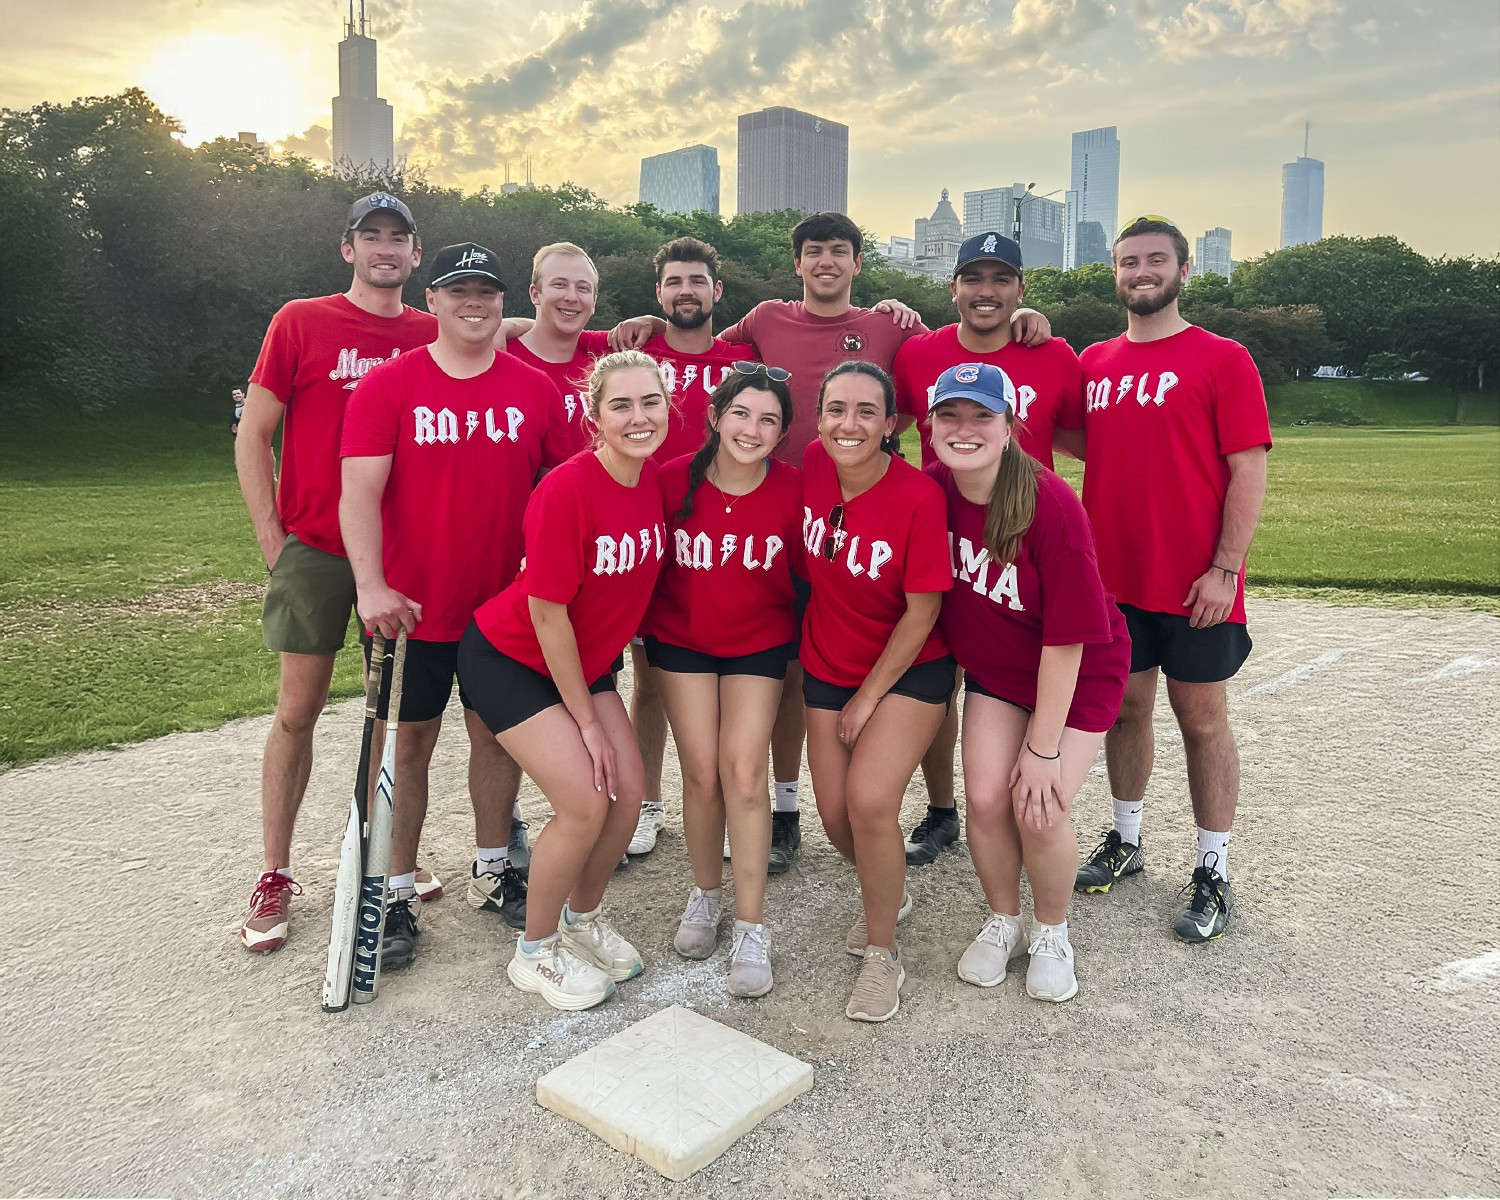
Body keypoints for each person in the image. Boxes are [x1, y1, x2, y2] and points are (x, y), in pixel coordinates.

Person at [339, 243, 571, 966]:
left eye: (487, 290)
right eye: (458, 289)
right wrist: (370, 586)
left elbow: (567, 492)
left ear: (505, 302)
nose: (474, 302)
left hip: (501, 610)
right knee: (406, 747)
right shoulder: (389, 386)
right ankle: (396, 891)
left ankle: (495, 867)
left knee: (496, 740)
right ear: (431, 300)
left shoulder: (534, 389)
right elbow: (359, 494)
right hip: (412, 607)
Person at [235, 192, 448, 952]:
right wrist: (274, 538)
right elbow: (255, 434)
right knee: (299, 709)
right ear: (348, 248)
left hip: (404, 559)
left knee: (399, 720)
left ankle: (392, 856)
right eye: (372, 236)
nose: (386, 248)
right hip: (319, 550)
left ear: (417, 256)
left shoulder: (433, 329)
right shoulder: (302, 321)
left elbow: (505, 329)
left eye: (400, 238)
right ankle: (276, 870)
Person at [1077, 215, 1271, 942]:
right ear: (1116, 273)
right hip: (1114, 581)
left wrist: (1226, 569)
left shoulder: (1221, 357)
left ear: (1184, 270)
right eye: (1129, 262)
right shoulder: (1094, 361)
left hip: (1196, 582)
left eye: (1156, 260)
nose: (1141, 272)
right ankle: (1126, 839)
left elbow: (1248, 467)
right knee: (1125, 711)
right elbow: (1071, 434)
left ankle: (1213, 869)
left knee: (1201, 721)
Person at [457, 350, 668, 1011]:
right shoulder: (567, 489)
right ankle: (536, 949)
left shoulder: (653, 480)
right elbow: (547, 616)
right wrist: (585, 724)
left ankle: (582, 918)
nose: (638, 417)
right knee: (585, 802)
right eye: (622, 405)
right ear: (593, 416)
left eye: (650, 402)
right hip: (512, 657)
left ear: (668, 407)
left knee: (629, 795)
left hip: (582, 661)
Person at [925, 363, 1129, 1002]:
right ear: (929, 425)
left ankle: (1051, 930)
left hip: (1077, 670)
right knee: (986, 798)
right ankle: (1003, 917)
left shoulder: (1050, 504)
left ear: (1009, 427)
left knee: (1037, 806)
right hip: (1000, 672)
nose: (965, 429)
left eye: (982, 416)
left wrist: (1041, 751)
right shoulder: (934, 489)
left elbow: (1068, 640)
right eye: (949, 415)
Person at [891, 232, 1087, 870]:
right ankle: (944, 809)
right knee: (939, 683)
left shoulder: (1053, 353)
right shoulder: (919, 354)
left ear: (1021, 290)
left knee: (1033, 663)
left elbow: (1092, 441)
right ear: (953, 287)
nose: (986, 291)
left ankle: (1050, 788)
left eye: (1001, 279)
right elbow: (874, 421)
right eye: (973, 278)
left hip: (1028, 543)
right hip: (946, 538)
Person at [799, 361, 955, 1023]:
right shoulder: (811, 464)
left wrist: (867, 697)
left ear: (891, 424)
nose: (849, 423)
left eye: (867, 411)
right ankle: (887, 888)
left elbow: (922, 614)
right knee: (835, 817)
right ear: (820, 416)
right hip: (826, 664)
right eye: (837, 408)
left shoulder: (918, 496)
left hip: (908, 668)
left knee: (868, 802)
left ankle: (882, 951)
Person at [642, 363, 801, 998]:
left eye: (768, 419)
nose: (752, 428)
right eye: (740, 413)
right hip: (681, 641)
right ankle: (706, 892)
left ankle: (751, 923)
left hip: (759, 643)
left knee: (744, 773)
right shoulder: (669, 478)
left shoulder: (793, 487)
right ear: (715, 415)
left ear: (783, 431)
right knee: (702, 772)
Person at [623, 238, 756, 859]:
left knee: (728, 679)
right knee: (651, 682)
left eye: (697, 281)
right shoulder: (631, 351)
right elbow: (532, 327)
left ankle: (727, 802)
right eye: (674, 281)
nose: (686, 291)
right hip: (651, 538)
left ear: (716, 292)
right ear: (659, 294)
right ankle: (648, 804)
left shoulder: (742, 359)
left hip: (724, 536)